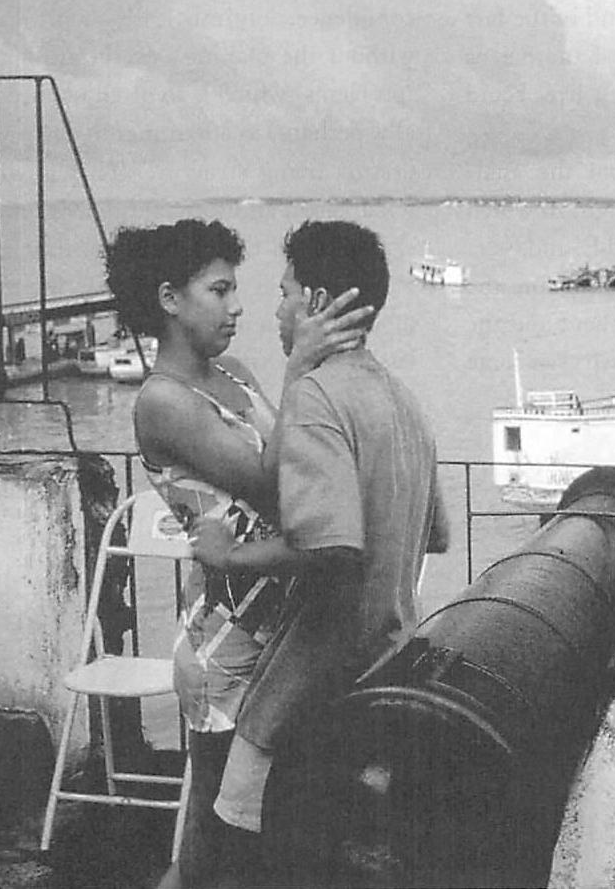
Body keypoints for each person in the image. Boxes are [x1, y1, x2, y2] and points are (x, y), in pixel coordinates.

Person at [104, 218, 372, 889]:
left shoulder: (235, 373)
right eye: (218, 290)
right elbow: (270, 481)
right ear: (170, 298)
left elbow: (300, 461)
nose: (237, 306)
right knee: (211, 835)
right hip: (225, 638)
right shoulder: (162, 402)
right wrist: (299, 366)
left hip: (279, 626)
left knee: (267, 826)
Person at [189, 219, 449, 873]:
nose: (276, 309)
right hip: (387, 664)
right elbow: (437, 532)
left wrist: (227, 556)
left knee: (240, 854)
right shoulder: (404, 401)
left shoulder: (315, 395)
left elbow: (331, 548)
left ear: (317, 301)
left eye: (284, 293)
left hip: (311, 684)